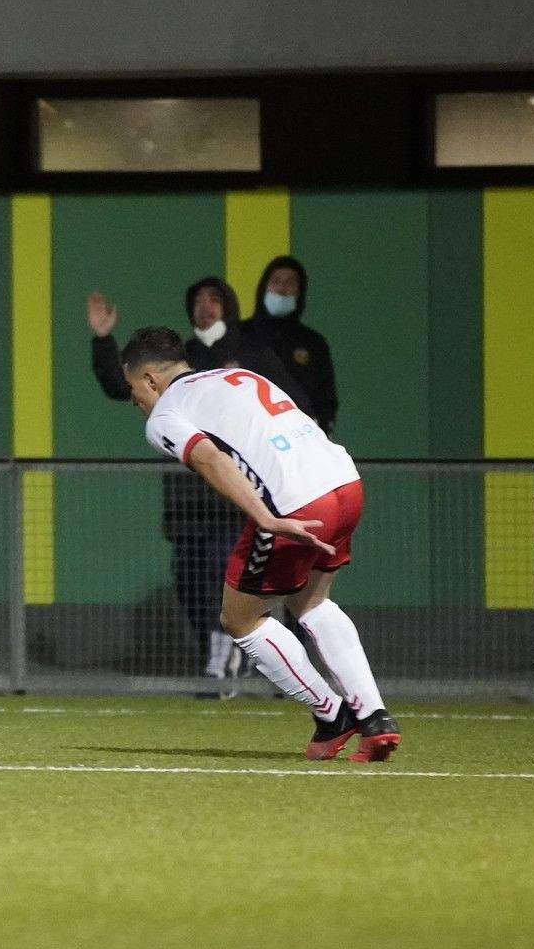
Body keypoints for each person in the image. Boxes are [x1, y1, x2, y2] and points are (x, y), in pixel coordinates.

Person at [119, 325, 399, 762]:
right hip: (345, 481)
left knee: (240, 619)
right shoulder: (237, 376)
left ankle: (332, 715)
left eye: (133, 387)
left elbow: (210, 458)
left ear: (151, 379)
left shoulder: (164, 415)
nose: (134, 399)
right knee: (312, 603)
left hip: (296, 501)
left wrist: (266, 517)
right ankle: (376, 717)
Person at [88, 278, 308, 695]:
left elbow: (290, 405)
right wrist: (103, 341)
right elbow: (125, 385)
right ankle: (228, 660)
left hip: (235, 497)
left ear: (228, 304)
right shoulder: (179, 361)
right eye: (199, 300)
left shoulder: (250, 356)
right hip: (189, 501)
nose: (206, 307)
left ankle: (230, 669)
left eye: (214, 299)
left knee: (238, 586)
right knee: (192, 584)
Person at [245, 255, 338, 433]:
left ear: (300, 292)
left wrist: (322, 430)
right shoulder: (239, 335)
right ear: (264, 288)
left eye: (290, 283)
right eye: (276, 281)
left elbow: (325, 398)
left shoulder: (313, 343)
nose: (282, 288)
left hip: (299, 435)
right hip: (247, 434)